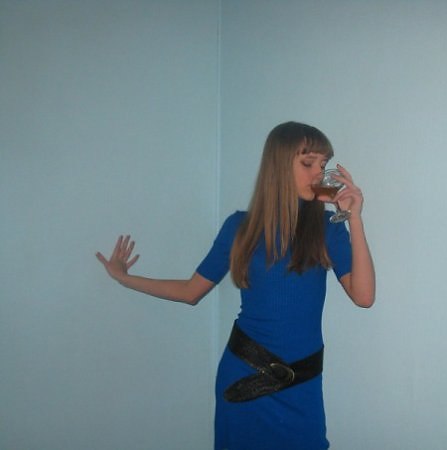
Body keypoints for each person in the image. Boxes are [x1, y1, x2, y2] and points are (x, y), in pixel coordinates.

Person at [96, 121, 375, 450]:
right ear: (278, 165)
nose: (319, 173)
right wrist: (125, 278)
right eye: (308, 163)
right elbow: (190, 292)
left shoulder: (328, 228)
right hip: (244, 375)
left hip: (303, 384)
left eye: (323, 163)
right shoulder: (240, 227)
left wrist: (354, 218)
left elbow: (364, 296)